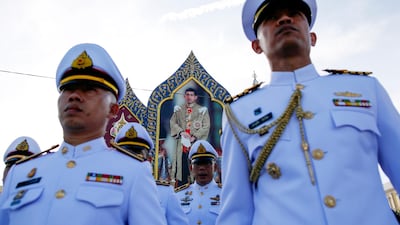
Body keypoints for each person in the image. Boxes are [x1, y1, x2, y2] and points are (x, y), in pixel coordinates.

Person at [216, 0, 400, 225]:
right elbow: (237, 211)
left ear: (312, 37)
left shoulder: (365, 90)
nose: (284, 19)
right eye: (272, 17)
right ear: (257, 45)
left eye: (294, 13)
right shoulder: (239, 113)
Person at [0, 43, 166, 225]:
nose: (75, 96)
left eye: (89, 89)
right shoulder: (20, 174)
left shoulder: (133, 173)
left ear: (113, 110)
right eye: (68, 88)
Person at [113, 122, 189, 225]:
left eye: (137, 154)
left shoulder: (165, 194)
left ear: (148, 160)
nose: (131, 159)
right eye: (125, 153)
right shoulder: (105, 188)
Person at [170, 88, 210, 187]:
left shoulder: (202, 110)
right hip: (182, 145)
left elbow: (206, 126)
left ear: (196, 97)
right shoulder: (178, 109)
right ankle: (182, 187)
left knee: (195, 164)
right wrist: (181, 132)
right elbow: (173, 123)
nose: (189, 97)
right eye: (187, 94)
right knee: (182, 167)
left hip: (196, 145)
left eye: (191, 95)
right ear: (184, 96)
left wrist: (195, 136)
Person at [175, 140, 221, 225]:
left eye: (206, 163)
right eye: (198, 164)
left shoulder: (225, 195)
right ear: (191, 168)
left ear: (215, 167)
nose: (202, 168)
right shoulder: (178, 196)